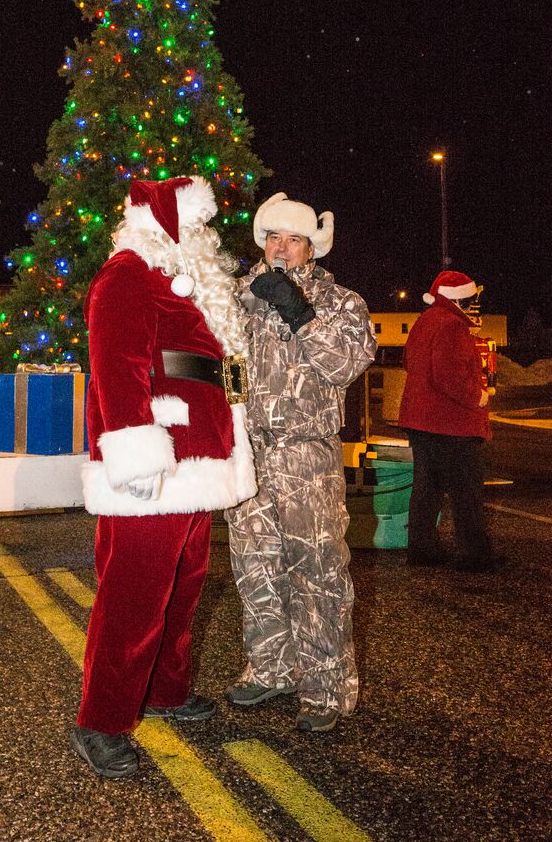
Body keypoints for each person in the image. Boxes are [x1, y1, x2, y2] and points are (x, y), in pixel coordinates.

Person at [71, 176, 256, 779]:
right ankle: (101, 719)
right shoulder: (126, 275)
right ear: (165, 223)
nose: (204, 235)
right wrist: (135, 454)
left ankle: (166, 691)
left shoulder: (182, 280)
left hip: (198, 457)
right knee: (134, 595)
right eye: (195, 224)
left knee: (185, 582)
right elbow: (116, 368)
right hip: (159, 458)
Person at [225, 192, 376, 734]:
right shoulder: (240, 297)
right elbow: (222, 364)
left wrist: (299, 312)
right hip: (249, 453)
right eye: (273, 238)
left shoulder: (341, 302)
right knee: (254, 564)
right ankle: (271, 668)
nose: (281, 248)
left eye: (292, 239)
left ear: (312, 247)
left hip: (305, 454)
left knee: (316, 571)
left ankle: (326, 687)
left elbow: (347, 365)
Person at [398, 269, 498, 572]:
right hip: (451, 423)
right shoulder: (453, 327)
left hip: (422, 421)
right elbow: (450, 376)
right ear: (462, 300)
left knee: (427, 489)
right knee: (466, 490)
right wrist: (478, 395)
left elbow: (408, 362)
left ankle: (422, 549)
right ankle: (474, 555)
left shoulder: (425, 321)